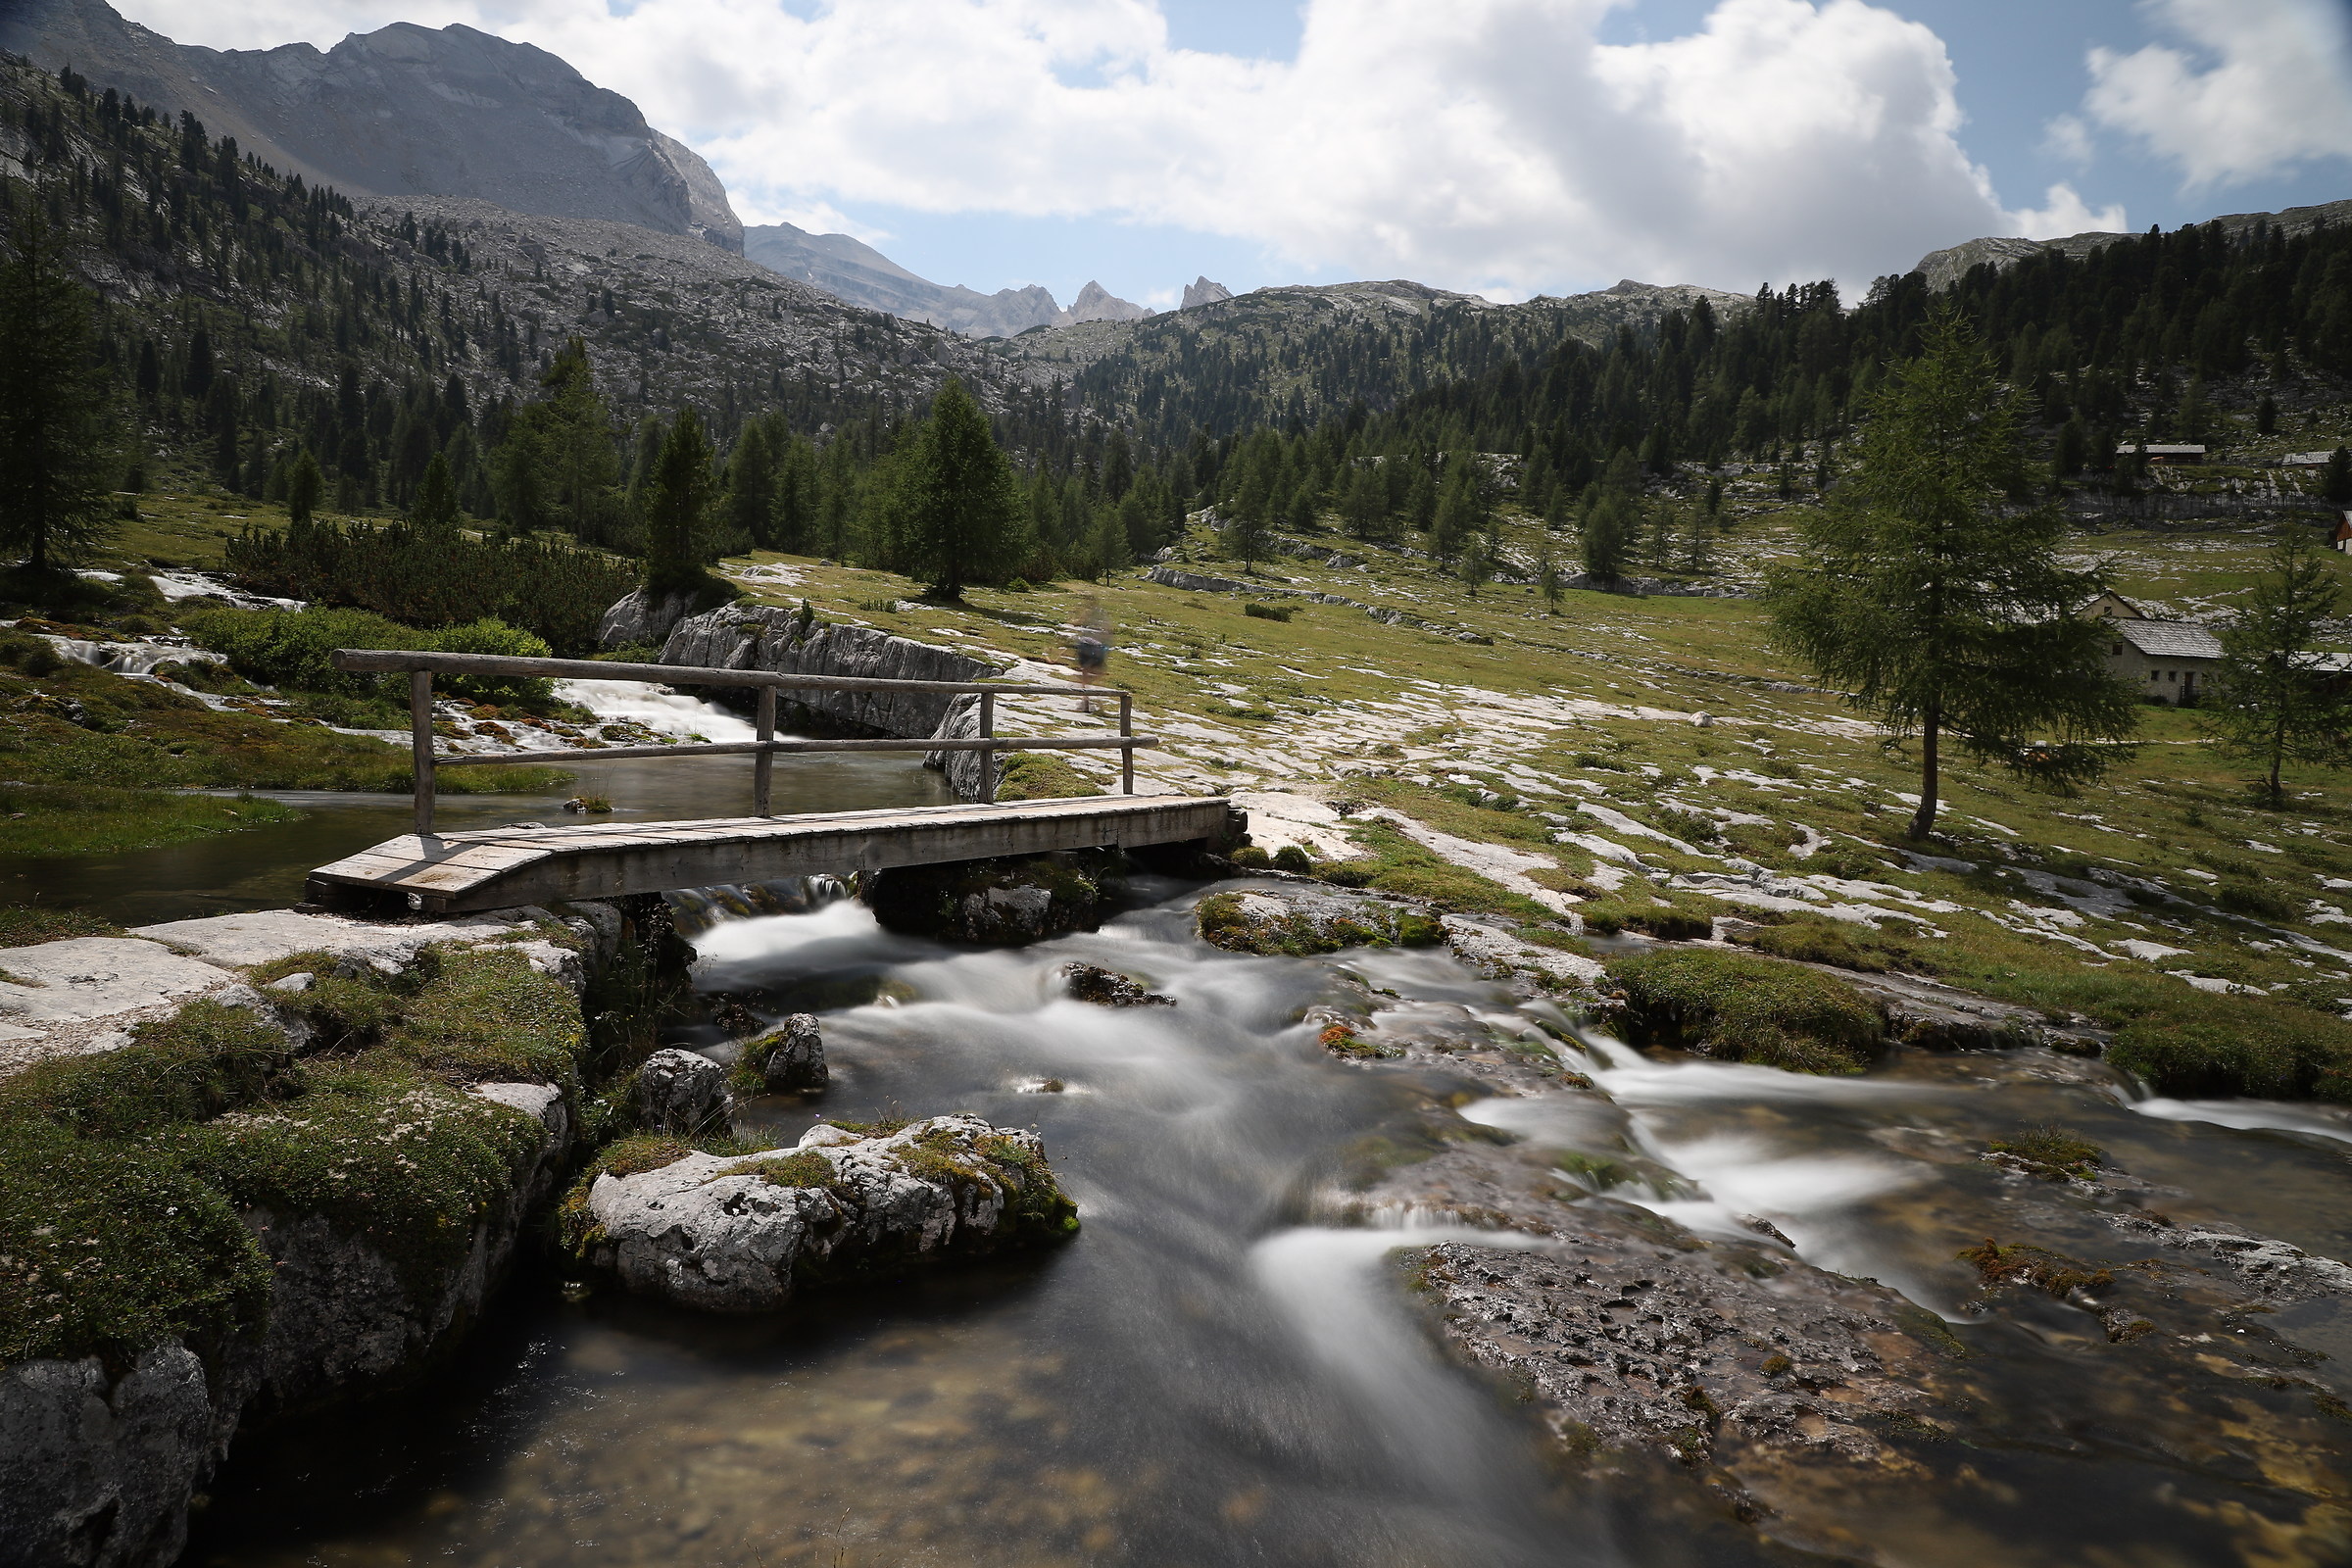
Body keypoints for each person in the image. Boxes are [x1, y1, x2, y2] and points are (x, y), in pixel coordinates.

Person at [1071, 599, 1111, 712]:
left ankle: (1086, 701)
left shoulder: (1088, 621)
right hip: (1094, 649)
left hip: (1089, 648)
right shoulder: (1098, 620)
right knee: (1087, 676)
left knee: (1085, 676)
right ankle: (1087, 701)